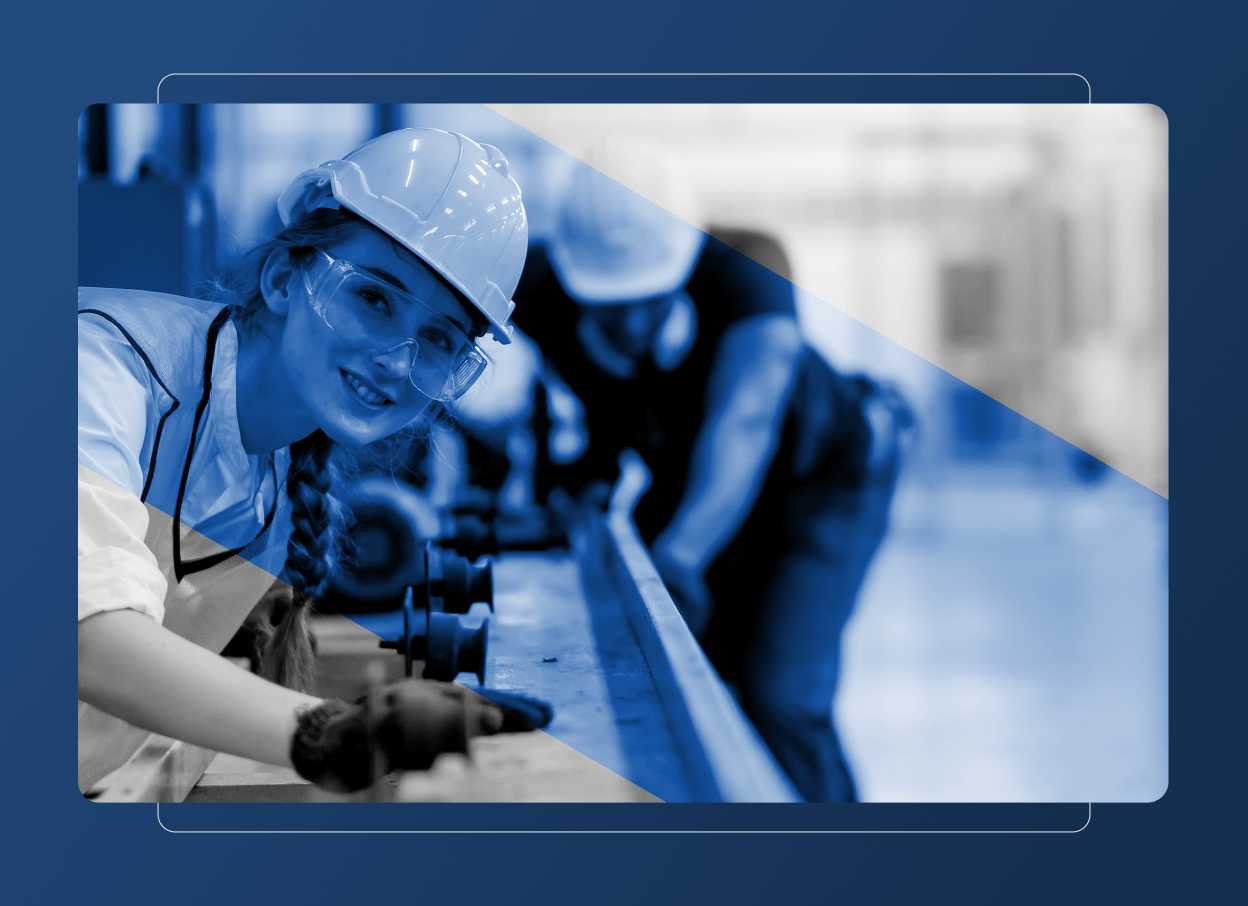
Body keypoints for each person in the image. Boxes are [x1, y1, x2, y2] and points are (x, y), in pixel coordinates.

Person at [77, 127, 549, 796]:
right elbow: (84, 634)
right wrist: (328, 734)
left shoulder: (270, 501)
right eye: (373, 297)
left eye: (439, 339)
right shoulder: (101, 367)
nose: (396, 361)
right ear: (281, 278)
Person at [499, 141, 907, 803]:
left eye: (649, 298)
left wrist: (682, 556)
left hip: (827, 478)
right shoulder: (542, 286)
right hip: (696, 473)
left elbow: (744, 423)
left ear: (685, 261)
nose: (630, 321)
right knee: (694, 673)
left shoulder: (748, 270)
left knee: (780, 695)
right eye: (608, 302)